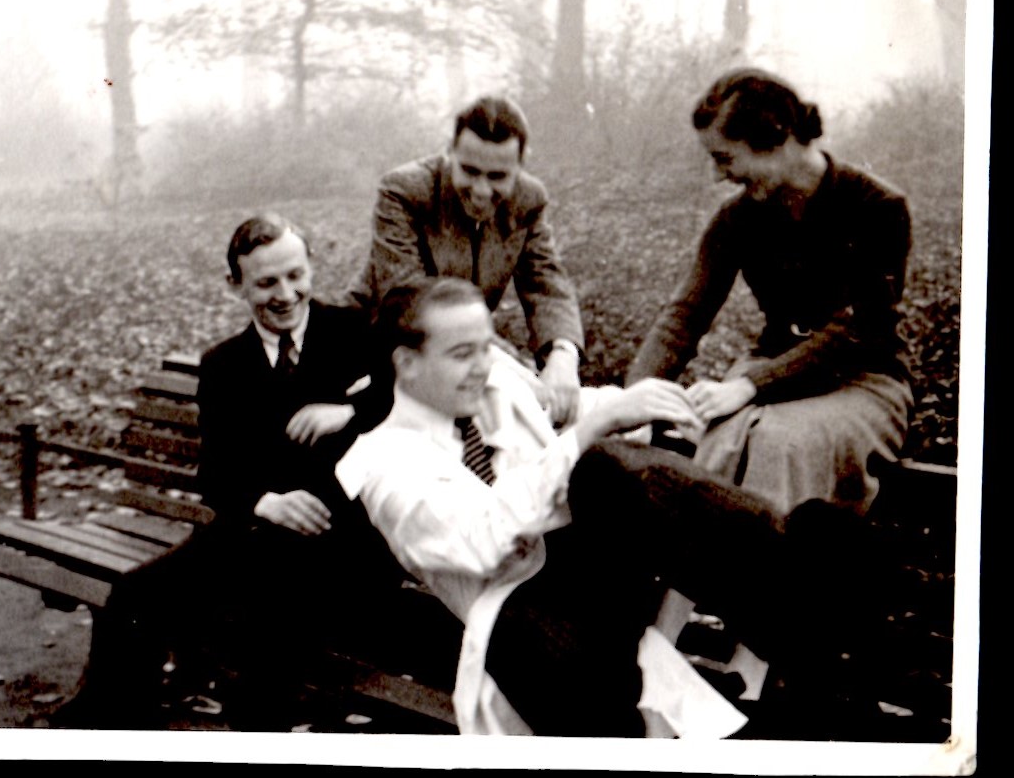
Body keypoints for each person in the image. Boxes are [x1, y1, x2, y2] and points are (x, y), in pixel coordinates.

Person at [336, 277, 887, 738]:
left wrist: (648, 404)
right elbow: (482, 541)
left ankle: (802, 584)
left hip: (603, 577)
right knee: (596, 466)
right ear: (407, 363)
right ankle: (798, 627)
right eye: (462, 354)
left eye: (487, 346)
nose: (484, 365)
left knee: (607, 471)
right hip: (525, 624)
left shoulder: (490, 381)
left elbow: (566, 410)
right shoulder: (380, 466)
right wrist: (595, 428)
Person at [52, 213, 399, 730]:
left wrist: (350, 411)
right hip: (253, 532)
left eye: (296, 275)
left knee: (257, 628)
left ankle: (256, 728)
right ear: (235, 285)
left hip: (341, 542)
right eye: (266, 282)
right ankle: (113, 727)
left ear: (311, 268)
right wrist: (266, 502)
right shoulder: (224, 365)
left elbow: (412, 400)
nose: (286, 294)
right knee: (133, 596)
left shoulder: (355, 332)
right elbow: (215, 473)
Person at [625, 68, 914, 520]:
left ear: (776, 139)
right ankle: (701, 568)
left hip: (863, 380)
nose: (718, 175)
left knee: (783, 445)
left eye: (725, 158)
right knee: (720, 437)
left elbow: (857, 330)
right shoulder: (737, 218)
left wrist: (750, 386)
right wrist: (633, 401)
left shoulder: (877, 208)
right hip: (767, 371)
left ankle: (771, 565)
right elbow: (685, 315)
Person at [347, 94, 586, 428]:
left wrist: (562, 355)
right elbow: (408, 298)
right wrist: (511, 369)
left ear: (521, 166)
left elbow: (546, 282)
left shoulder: (529, 200)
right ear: (450, 152)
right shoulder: (403, 190)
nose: (481, 190)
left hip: (463, 353)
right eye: (469, 171)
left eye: (498, 176)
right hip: (379, 350)